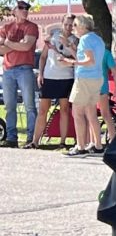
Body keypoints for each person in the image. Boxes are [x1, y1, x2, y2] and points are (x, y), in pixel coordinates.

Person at [62, 14, 105, 156]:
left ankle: (80, 147)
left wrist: (71, 62)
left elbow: (89, 60)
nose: (73, 28)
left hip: (85, 78)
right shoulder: (97, 39)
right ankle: (98, 146)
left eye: (75, 25)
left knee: (77, 113)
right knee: (91, 113)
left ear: (82, 26)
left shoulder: (85, 40)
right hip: (97, 78)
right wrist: (70, 47)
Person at [32, 14, 77, 148]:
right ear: (62, 23)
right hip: (49, 76)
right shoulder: (53, 37)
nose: (68, 27)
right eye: (66, 24)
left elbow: (71, 59)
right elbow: (43, 57)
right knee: (43, 110)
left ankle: (62, 142)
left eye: (71, 25)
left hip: (66, 77)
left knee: (64, 110)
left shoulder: (75, 40)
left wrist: (64, 46)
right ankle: (35, 141)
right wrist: (41, 74)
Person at [1, 0, 40, 148]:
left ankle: (31, 138)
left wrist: (8, 44)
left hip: (25, 69)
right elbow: (0, 49)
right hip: (8, 70)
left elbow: (27, 46)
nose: (25, 10)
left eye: (26, 8)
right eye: (21, 8)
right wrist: (17, 45)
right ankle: (11, 138)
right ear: (14, 11)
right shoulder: (6, 27)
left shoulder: (32, 27)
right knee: (10, 105)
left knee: (29, 105)